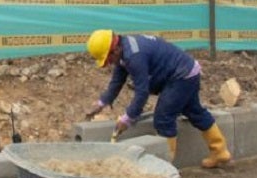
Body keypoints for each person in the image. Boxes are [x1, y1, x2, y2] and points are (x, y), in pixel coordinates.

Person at [83, 29, 231, 168]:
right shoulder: (124, 49)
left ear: (114, 50)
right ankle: (220, 151)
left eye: (108, 59)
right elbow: (117, 80)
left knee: (163, 118)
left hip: (181, 76)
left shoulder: (134, 56)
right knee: (194, 111)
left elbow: (142, 92)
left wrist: (127, 118)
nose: (108, 63)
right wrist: (102, 102)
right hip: (186, 72)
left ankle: (165, 168)